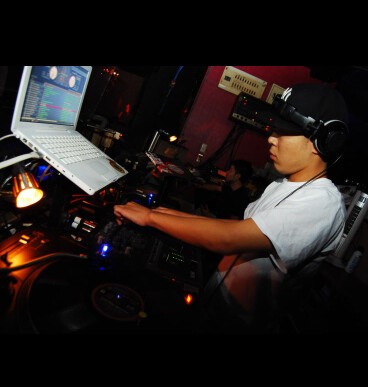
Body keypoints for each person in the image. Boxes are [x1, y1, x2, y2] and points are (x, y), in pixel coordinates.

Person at [113, 82, 349, 332]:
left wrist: (150, 218)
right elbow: (238, 228)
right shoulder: (281, 184)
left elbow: (230, 238)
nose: (271, 138)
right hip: (215, 305)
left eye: (283, 131)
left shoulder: (323, 204)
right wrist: (162, 213)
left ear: (323, 141)